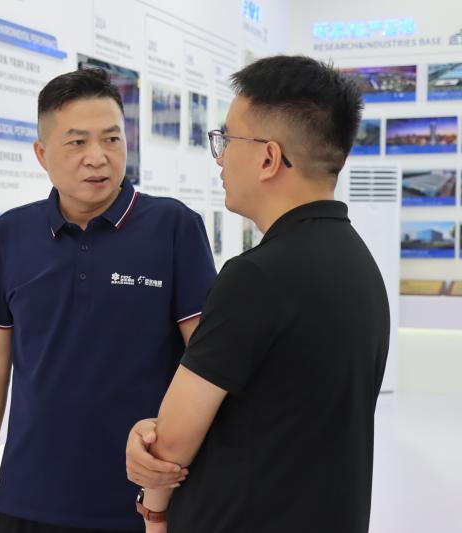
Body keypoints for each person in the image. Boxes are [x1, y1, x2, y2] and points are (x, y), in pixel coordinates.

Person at [126, 55, 390, 533]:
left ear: (268, 158)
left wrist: (155, 510)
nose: (220, 157)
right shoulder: (359, 264)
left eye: (227, 140)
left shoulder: (257, 277)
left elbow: (172, 444)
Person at [0, 67, 217, 533]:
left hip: (141, 501)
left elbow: (206, 362)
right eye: (77, 142)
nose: (97, 158)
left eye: (112, 139)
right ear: (42, 154)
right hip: (28, 498)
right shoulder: (11, 233)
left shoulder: (174, 227)